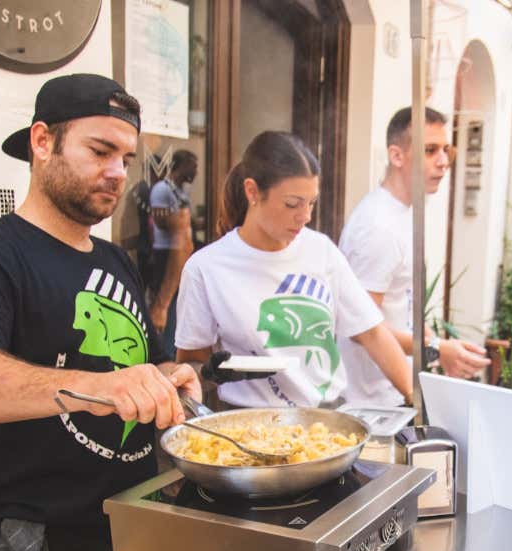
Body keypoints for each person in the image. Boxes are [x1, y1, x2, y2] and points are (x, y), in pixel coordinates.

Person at [0, 74, 200, 551]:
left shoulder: (114, 259)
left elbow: (142, 359)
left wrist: (168, 379)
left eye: (126, 157)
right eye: (100, 151)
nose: (118, 172)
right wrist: (98, 387)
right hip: (44, 547)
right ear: (42, 141)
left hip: (137, 524)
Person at [175, 131, 411, 408]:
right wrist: (211, 372)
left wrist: (416, 402)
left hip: (325, 421)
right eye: (292, 204)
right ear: (252, 191)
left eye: (311, 203)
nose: (306, 216)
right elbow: (190, 364)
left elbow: (373, 333)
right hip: (247, 424)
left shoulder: (321, 251)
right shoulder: (206, 268)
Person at [337, 107, 489, 407]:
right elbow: (359, 326)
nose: (444, 161)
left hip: (390, 389)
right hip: (370, 400)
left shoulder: (401, 213)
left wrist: (432, 342)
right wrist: (435, 348)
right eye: (430, 150)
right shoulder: (378, 227)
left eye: (447, 150)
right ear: (397, 156)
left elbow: (399, 301)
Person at [147, 148, 198, 355]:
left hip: (182, 253)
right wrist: (180, 222)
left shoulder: (180, 192)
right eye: (192, 166)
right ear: (181, 165)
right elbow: (160, 220)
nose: (195, 171)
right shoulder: (162, 189)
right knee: (164, 309)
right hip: (166, 254)